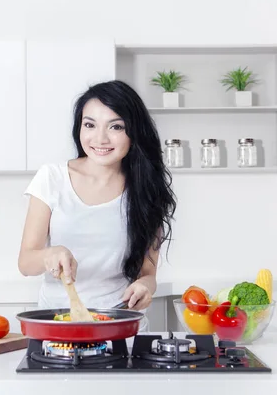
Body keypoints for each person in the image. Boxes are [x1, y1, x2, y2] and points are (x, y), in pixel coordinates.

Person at [17, 80, 176, 328]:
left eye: (115, 126)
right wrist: (50, 254)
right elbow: (26, 263)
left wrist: (145, 286)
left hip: (121, 325)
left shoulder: (146, 189)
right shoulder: (52, 178)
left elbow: (147, 274)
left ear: (135, 132)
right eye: (89, 124)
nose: (100, 138)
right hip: (58, 325)